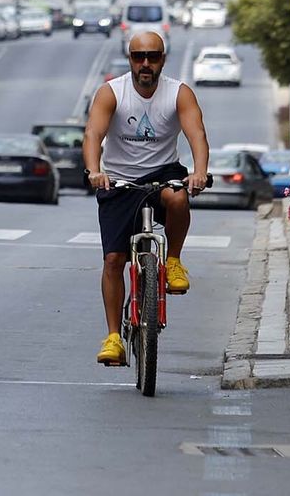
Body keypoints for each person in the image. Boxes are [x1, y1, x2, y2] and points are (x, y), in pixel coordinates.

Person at [82, 29, 210, 367]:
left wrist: (199, 172)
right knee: (113, 260)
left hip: (162, 173)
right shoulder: (112, 93)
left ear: (163, 60)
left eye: (153, 56)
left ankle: (174, 260)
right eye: (139, 57)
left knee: (179, 199)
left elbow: (196, 133)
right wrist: (95, 171)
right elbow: (93, 134)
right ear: (130, 60)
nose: (146, 64)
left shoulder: (178, 93)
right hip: (119, 179)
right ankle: (113, 337)